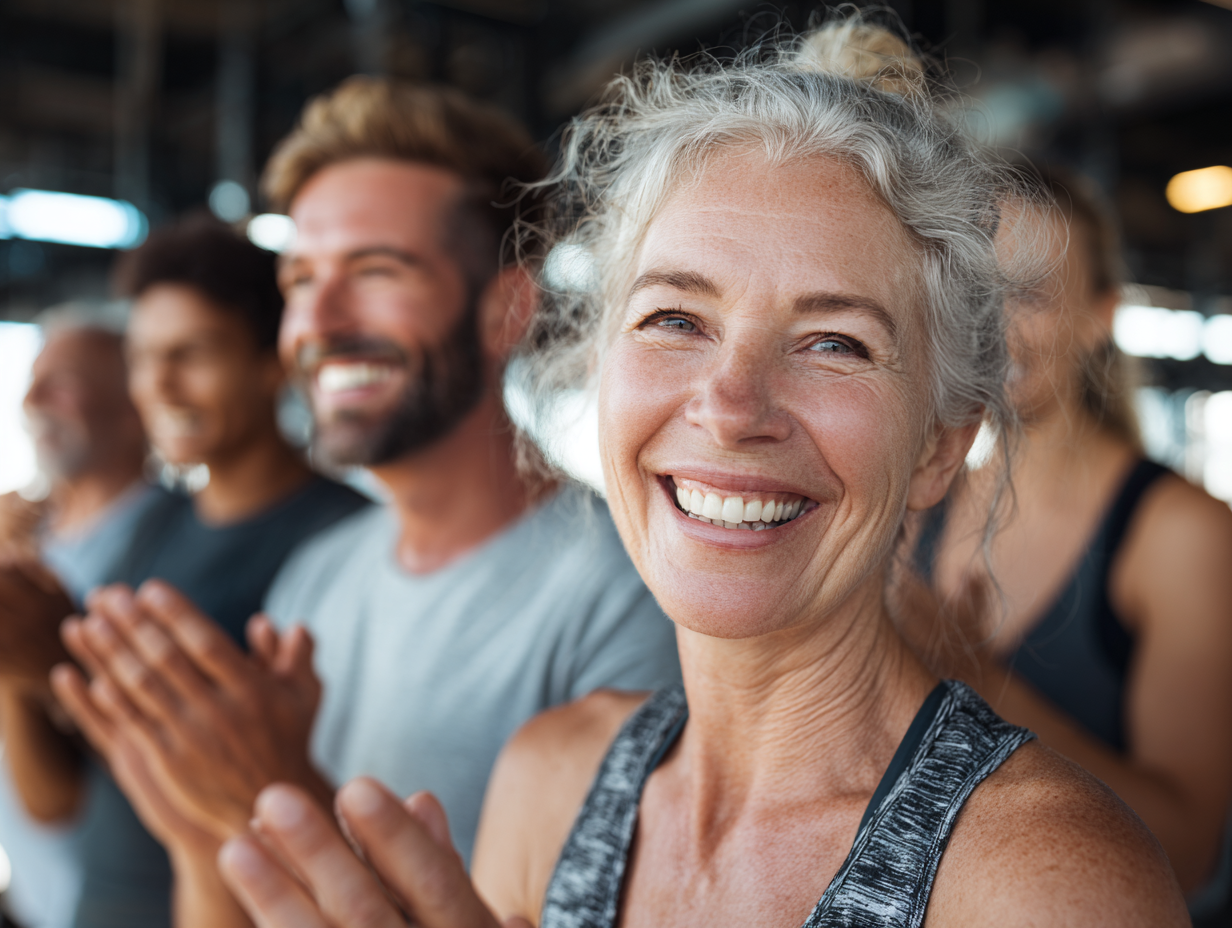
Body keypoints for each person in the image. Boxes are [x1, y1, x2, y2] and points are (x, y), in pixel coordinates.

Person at [212, 20, 1188, 928]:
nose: (728, 404)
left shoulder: (1046, 878)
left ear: (937, 443)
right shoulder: (548, 778)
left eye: (834, 341)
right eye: (673, 319)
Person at [52, 78, 681, 927]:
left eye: (376, 270)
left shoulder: (626, 599)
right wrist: (201, 832)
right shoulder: (317, 577)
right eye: (301, 279)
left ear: (507, 309)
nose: (320, 319)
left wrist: (276, 796)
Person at [7, 216, 371, 928]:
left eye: (191, 354)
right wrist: (28, 665)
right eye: (143, 359)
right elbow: (63, 792)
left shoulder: (341, 539)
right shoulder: (155, 523)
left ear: (273, 362)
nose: (160, 385)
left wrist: (59, 655)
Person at [896, 167, 1232, 898]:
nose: (992, 325)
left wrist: (978, 683)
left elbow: (1188, 854)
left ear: (1099, 316)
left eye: (1030, 295)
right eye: (975, 293)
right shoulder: (922, 504)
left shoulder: (1183, 536)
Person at [0, 302, 155, 928]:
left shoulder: (159, 550)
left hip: (102, 903)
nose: (32, 398)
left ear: (132, 403)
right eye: (34, 378)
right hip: (29, 892)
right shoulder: (32, 533)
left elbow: (55, 797)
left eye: (64, 384)